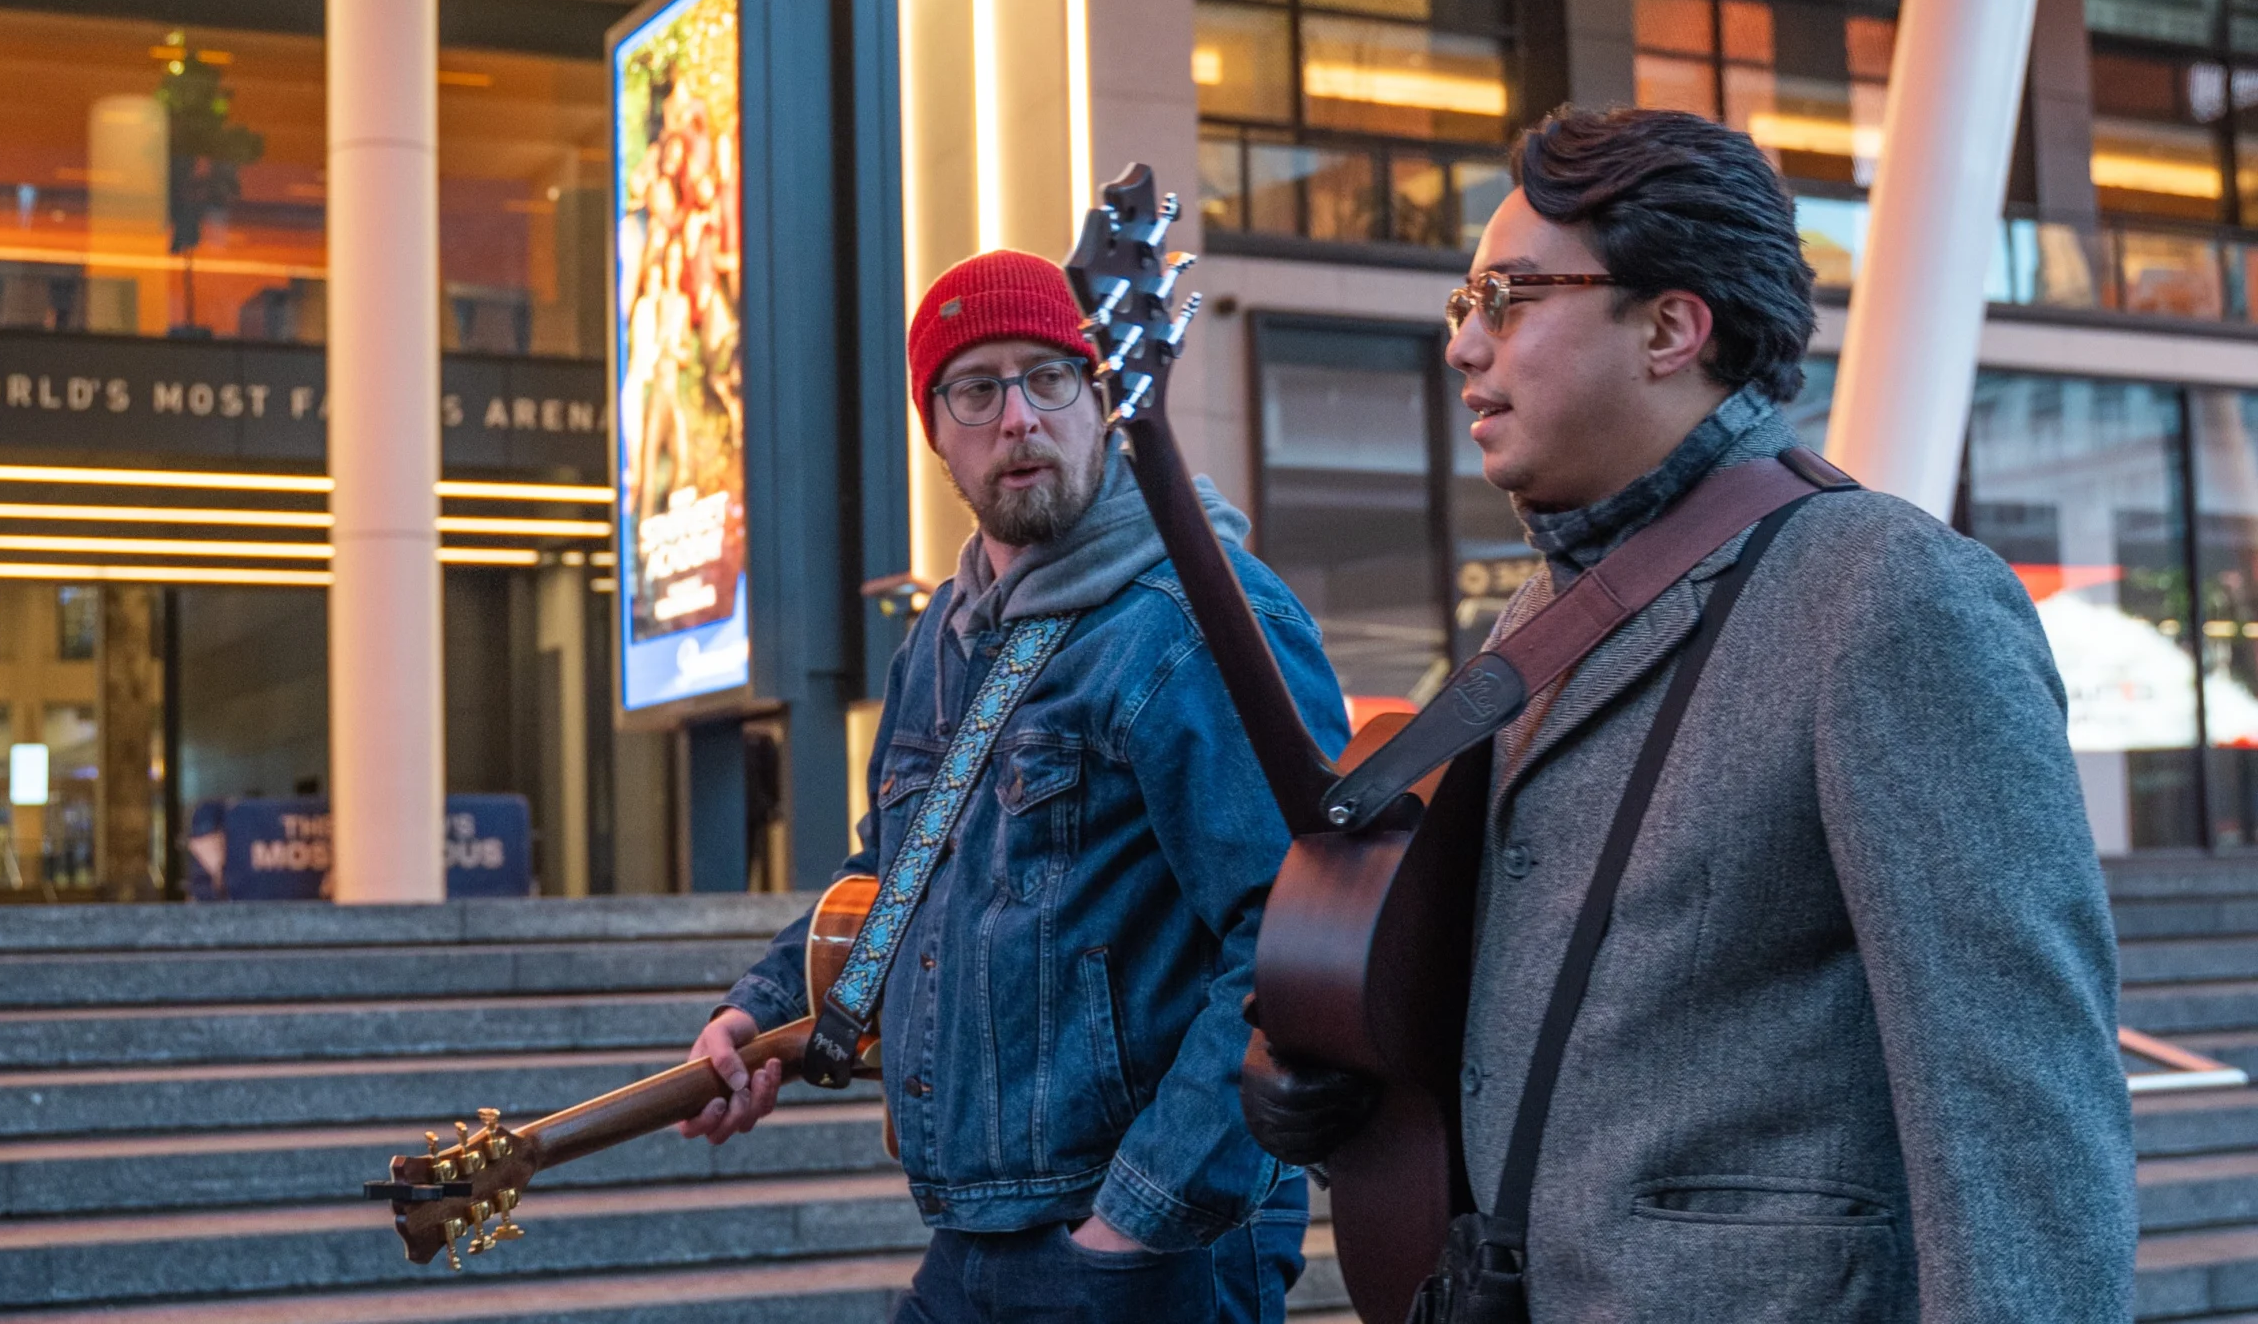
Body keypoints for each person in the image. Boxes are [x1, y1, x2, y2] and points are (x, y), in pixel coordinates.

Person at [1246, 107, 2134, 1322]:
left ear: (1670, 326)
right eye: (1465, 304)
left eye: (1506, 295)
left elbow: (2020, 1113)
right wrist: (1364, 1081)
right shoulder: (1536, 617)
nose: (1463, 345)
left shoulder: (1884, 590)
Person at [685, 248, 1352, 1323]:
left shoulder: (1199, 620)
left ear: (1102, 400)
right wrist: (752, 1009)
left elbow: (1294, 942)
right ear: (935, 428)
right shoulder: (940, 644)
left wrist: (1130, 1223)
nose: (1020, 416)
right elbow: (890, 872)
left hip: (1145, 1247)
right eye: (977, 387)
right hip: (973, 1228)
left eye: (1051, 377)